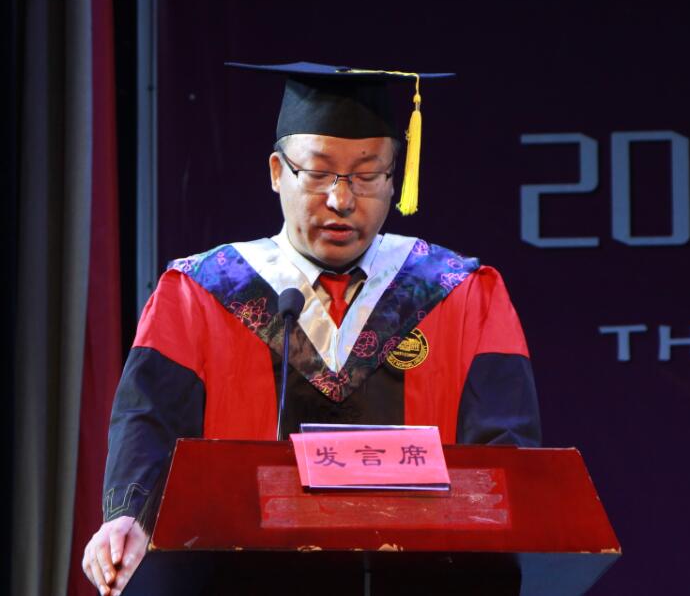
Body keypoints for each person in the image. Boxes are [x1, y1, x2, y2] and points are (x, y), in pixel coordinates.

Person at [81, 63, 541, 595]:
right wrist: (128, 516)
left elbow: (507, 457)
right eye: (318, 173)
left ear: (395, 178)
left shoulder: (462, 293)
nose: (342, 201)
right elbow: (148, 423)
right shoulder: (199, 292)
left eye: (367, 175)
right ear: (278, 171)